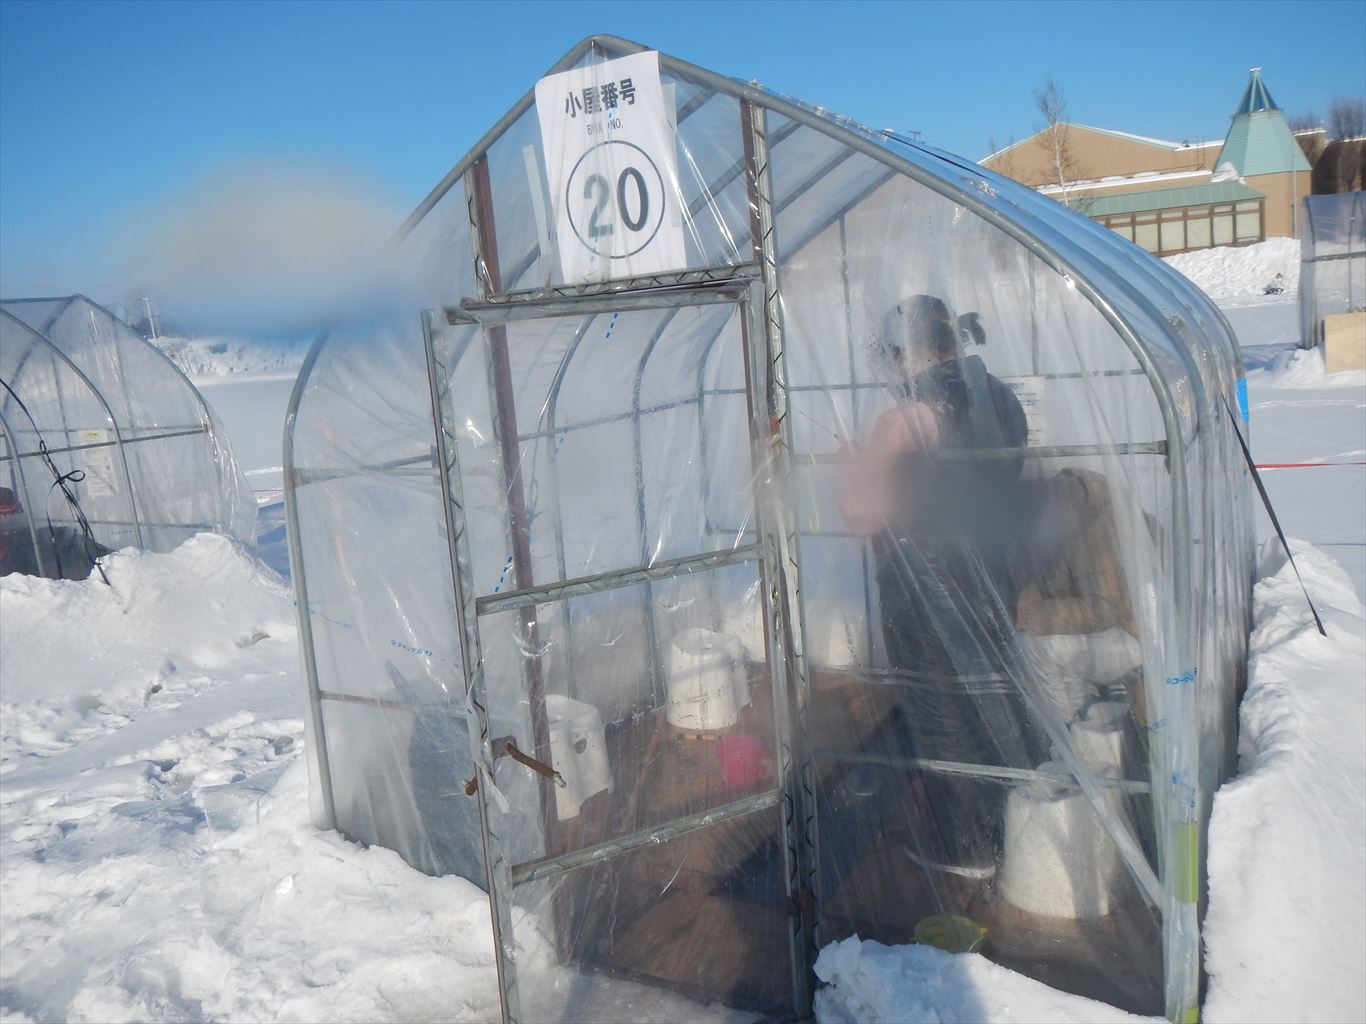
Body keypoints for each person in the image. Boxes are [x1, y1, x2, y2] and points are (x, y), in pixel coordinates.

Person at [840, 294, 1042, 878]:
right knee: (993, 696)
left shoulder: (903, 418)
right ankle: (1011, 825)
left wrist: (855, 465)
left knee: (942, 710)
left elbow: (862, 514)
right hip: (992, 572)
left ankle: (966, 848)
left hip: (924, 587)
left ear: (908, 354)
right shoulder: (1000, 396)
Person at [1014, 469, 1144, 724]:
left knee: (1038, 646)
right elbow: (1063, 576)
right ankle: (1084, 715)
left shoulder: (1101, 533)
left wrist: (1035, 616)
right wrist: (1036, 594)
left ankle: (1069, 727)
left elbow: (1103, 608)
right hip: (1146, 630)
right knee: (1053, 637)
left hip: (1141, 641)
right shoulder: (1096, 514)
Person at [0, 486, 111, 581]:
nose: (9, 520)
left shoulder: (52, 537)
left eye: (13, 513)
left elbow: (107, 557)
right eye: (2, 516)